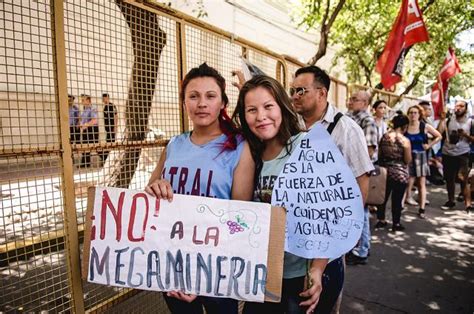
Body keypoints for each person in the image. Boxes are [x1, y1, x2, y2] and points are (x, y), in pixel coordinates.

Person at [145, 63, 254, 314]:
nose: (201, 103)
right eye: (193, 96)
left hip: (216, 268)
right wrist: (156, 187)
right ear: (184, 103)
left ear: (223, 103)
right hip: (173, 266)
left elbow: (241, 218)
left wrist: (205, 276)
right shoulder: (174, 145)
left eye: (210, 96)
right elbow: (148, 195)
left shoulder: (239, 147)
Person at [345, 90, 378, 265]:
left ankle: (362, 250)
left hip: (359, 174)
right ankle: (351, 247)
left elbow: (369, 150)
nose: (351, 101)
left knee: (362, 212)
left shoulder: (367, 121)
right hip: (347, 173)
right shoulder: (348, 117)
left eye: (355, 99)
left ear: (365, 103)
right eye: (351, 98)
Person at [375, 112, 412, 231]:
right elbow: (407, 159)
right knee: (397, 199)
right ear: (405, 126)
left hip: (385, 171)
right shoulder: (405, 141)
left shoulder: (385, 137)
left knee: (382, 197)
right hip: (400, 173)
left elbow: (380, 155)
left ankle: (381, 219)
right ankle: (396, 223)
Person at [404, 105, 441, 218]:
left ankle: (422, 208)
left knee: (421, 183)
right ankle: (403, 204)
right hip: (408, 157)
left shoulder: (424, 126)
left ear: (419, 114)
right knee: (407, 182)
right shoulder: (405, 127)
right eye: (411, 112)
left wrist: (429, 145)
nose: (413, 115)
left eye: (415, 112)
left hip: (420, 156)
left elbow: (438, 136)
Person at [438, 100, 473, 212]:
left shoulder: (470, 122)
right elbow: (439, 132)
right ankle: (451, 201)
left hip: (462, 153)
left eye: (461, 106)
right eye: (456, 106)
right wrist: (442, 120)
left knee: (464, 179)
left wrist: (465, 135)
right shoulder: (449, 119)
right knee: (449, 179)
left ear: (465, 109)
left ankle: (468, 204)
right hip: (447, 152)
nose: (458, 108)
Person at [79, 95, 99, 168]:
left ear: (88, 100)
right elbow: (83, 119)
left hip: (92, 129)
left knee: (96, 146)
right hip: (86, 130)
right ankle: (84, 164)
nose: (82, 102)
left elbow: (94, 120)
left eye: (83, 100)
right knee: (85, 146)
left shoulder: (92, 108)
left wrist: (86, 125)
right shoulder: (85, 109)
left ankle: (106, 159)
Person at [101, 93, 117, 161]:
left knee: (111, 143)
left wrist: (115, 127)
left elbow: (115, 116)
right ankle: (108, 159)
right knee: (108, 142)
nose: (103, 99)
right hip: (107, 129)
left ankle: (110, 159)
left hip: (112, 128)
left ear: (107, 98)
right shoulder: (105, 107)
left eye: (104, 98)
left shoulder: (112, 106)